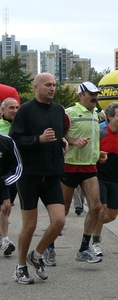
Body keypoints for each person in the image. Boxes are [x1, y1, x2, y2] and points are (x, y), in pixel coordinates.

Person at [9, 72, 68, 284]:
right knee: (30, 225)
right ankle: (21, 266)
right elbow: (14, 140)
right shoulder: (25, 110)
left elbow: (60, 134)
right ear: (36, 87)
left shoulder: (59, 110)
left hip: (52, 174)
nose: (52, 88)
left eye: (54, 85)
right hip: (29, 175)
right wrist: (38, 139)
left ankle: (37, 254)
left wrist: (63, 142)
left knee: (59, 220)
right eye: (48, 85)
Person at [61, 81, 106, 264]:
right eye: (91, 94)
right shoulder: (69, 113)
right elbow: (59, 137)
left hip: (90, 167)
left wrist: (98, 153)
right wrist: (73, 141)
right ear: (81, 96)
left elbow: (93, 139)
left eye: (96, 93)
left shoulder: (96, 114)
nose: (95, 97)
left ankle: (83, 248)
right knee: (61, 212)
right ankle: (49, 247)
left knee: (96, 207)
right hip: (70, 166)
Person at [91, 102, 118, 256]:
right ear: (110, 117)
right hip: (99, 175)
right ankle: (95, 242)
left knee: (111, 216)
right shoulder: (100, 132)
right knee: (102, 211)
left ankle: (91, 225)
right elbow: (91, 151)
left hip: (116, 177)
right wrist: (99, 155)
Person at [0, 97, 20, 256]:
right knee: (4, 206)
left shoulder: (22, 125)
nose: (14, 111)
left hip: (11, 172)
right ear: (2, 110)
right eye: (11, 108)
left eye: (16, 107)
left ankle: (3, 238)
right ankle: (4, 239)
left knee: (6, 207)